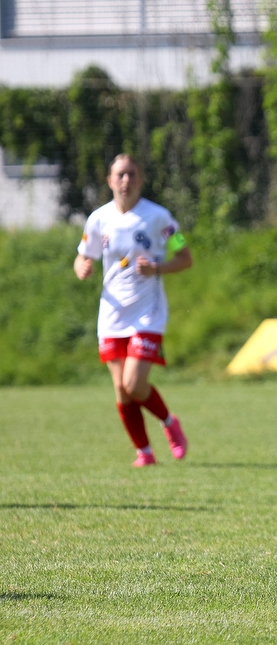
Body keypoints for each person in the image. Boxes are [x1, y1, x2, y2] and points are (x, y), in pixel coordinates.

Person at [74, 153, 192, 467]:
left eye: (132, 175)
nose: (126, 180)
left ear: (140, 179)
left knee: (133, 383)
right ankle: (145, 452)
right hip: (112, 314)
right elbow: (83, 255)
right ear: (110, 180)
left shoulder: (160, 217)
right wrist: (82, 265)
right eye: (120, 175)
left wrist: (157, 268)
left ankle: (169, 423)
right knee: (121, 391)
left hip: (147, 313)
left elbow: (185, 256)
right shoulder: (98, 219)